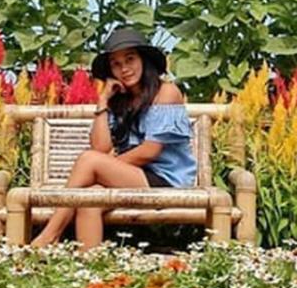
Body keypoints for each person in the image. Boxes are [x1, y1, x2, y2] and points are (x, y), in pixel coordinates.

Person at [30, 27, 197, 249]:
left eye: (130, 59)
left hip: (166, 181)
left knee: (89, 161)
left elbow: (150, 151)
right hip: (136, 177)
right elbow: (101, 148)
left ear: (144, 60)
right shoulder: (121, 100)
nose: (124, 69)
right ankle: (90, 270)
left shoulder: (166, 92)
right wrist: (103, 102)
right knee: (89, 200)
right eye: (116, 64)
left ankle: (49, 235)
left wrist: (101, 168)